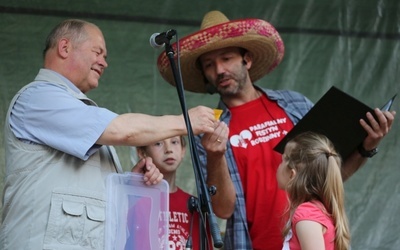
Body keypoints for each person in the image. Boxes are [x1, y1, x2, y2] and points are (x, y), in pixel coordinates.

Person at [156, 10, 396, 250]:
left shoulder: (295, 105)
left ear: (247, 59)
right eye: (209, 64)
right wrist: (216, 154)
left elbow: (329, 177)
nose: (219, 70)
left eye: (226, 58)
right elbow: (223, 209)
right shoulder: (207, 130)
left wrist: (366, 148)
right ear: (205, 74)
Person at [0, 19, 219, 250]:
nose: (104, 63)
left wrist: (131, 183)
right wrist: (184, 121)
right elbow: (122, 131)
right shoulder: (38, 98)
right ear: (65, 48)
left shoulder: (78, 110)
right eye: (98, 52)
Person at [134, 132, 229, 250]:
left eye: (174, 142)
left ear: (183, 150)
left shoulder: (194, 205)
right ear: (142, 153)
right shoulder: (135, 200)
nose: (168, 149)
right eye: (158, 143)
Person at [277, 132, 351, 250]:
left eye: (282, 160)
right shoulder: (315, 210)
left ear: (292, 174)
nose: (278, 166)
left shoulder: (306, 215)